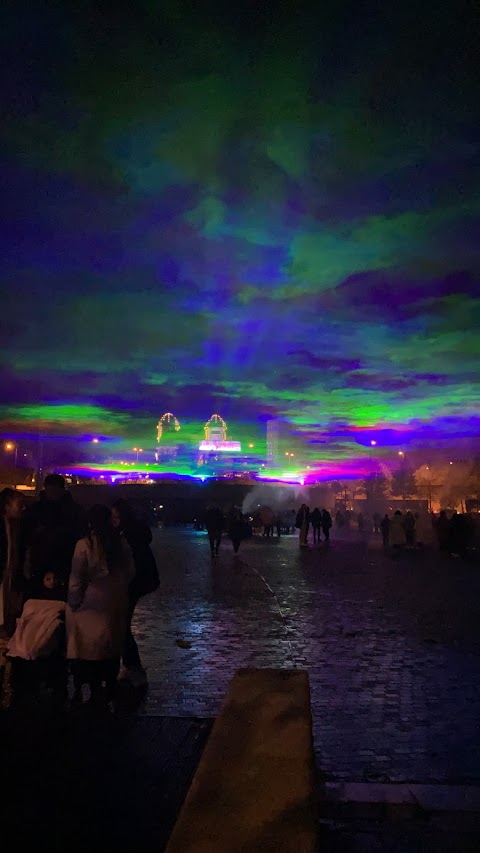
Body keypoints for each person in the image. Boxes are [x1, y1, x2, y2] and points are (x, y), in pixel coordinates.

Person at [67, 504, 135, 709]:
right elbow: (131, 572)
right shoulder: (120, 542)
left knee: (89, 650)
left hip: (90, 602)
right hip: (114, 600)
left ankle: (93, 688)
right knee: (111, 645)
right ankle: (109, 686)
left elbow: (77, 577)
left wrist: (74, 601)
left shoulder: (85, 545)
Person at [111, 499, 159, 686]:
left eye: (116, 517)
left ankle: (132, 666)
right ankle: (130, 665)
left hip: (133, 584)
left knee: (122, 624)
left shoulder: (127, 537)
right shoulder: (136, 533)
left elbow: (131, 566)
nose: (113, 521)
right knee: (122, 623)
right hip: (139, 583)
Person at [8, 570, 67, 709]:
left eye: (55, 578)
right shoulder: (33, 600)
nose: (52, 582)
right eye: (48, 579)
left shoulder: (61, 599)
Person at [23, 474, 86, 589]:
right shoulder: (73, 510)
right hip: (49, 562)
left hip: (57, 561)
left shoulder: (37, 509)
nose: (52, 494)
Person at [0, 488, 26, 638]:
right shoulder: (6, 525)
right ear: (7, 505)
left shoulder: (15, 526)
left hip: (8, 571)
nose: (23, 508)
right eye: (19, 504)